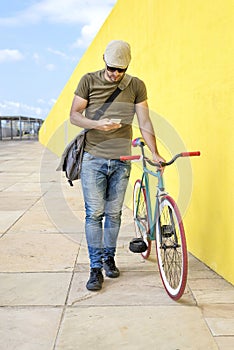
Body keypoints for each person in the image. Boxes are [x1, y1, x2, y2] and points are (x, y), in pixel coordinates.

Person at [70, 40, 165, 291]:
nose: (115, 74)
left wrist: (154, 152)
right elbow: (74, 115)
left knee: (113, 214)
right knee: (95, 214)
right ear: (104, 60)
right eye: (112, 68)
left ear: (127, 66)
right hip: (93, 159)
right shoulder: (88, 81)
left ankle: (109, 258)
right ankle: (95, 268)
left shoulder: (136, 86)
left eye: (120, 70)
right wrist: (98, 125)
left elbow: (144, 120)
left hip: (122, 160)